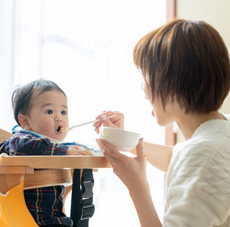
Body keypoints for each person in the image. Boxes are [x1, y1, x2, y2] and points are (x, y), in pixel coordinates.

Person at [95, 19, 230, 227]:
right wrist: (125, 141)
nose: (144, 88)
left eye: (147, 77)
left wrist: (137, 187)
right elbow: (177, 157)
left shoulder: (202, 155)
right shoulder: (220, 131)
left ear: (172, 87)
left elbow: (195, 161)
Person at [0, 79, 92, 227]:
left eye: (63, 112)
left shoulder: (56, 147)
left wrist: (84, 151)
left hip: (53, 218)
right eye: (49, 111)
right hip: (29, 219)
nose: (59, 117)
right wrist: (65, 151)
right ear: (25, 122)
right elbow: (23, 147)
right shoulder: (20, 139)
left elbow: (59, 148)